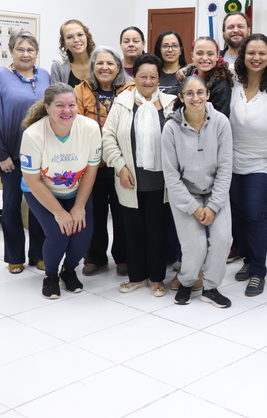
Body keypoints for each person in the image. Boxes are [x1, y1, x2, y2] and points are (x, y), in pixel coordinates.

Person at [102, 53, 177, 297]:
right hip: (129, 179)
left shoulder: (171, 103)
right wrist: (121, 167)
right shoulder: (121, 102)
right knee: (132, 231)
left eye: (152, 77)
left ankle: (156, 278)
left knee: (157, 230)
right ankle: (137, 277)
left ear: (159, 78)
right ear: (134, 76)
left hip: (161, 182)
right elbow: (108, 137)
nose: (147, 81)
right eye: (143, 76)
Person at [19, 83, 101, 299]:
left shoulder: (90, 128)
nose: (67, 110)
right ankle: (51, 276)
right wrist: (60, 212)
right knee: (58, 233)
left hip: (75, 189)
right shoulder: (33, 135)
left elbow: (91, 170)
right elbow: (32, 179)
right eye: (59, 105)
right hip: (41, 190)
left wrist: (79, 207)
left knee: (82, 234)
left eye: (72, 105)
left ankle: (69, 270)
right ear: (47, 108)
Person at [0, 30, 49, 274]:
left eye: (31, 49)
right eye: (20, 49)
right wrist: (0, 155)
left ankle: (39, 254)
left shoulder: (45, 76)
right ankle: (15, 256)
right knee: (10, 206)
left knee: (41, 205)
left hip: (41, 154)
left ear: (36, 53)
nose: (26, 54)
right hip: (12, 155)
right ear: (11, 51)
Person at [162, 76, 233, 307]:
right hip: (186, 195)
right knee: (196, 245)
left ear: (208, 95)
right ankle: (187, 282)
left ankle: (210, 288)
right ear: (181, 97)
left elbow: (225, 168)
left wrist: (213, 206)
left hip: (215, 193)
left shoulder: (221, 122)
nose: (196, 98)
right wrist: (194, 209)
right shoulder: (171, 128)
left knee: (223, 239)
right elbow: (171, 177)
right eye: (189, 94)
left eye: (200, 92)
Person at [229, 33, 267, 296]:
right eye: (251, 53)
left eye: (261, 53)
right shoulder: (232, 80)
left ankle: (258, 272)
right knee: (239, 216)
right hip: (232, 160)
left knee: (254, 214)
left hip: (265, 161)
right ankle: (248, 260)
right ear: (242, 56)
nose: (256, 58)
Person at [75, 46, 134, 277]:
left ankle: (124, 257)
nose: (105, 67)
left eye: (110, 63)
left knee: (122, 212)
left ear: (118, 67)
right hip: (93, 164)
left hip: (121, 162)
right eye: (99, 63)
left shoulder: (129, 90)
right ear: (92, 67)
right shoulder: (81, 90)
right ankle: (95, 257)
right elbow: (77, 124)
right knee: (95, 212)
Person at [173, 36, 233, 116]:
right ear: (192, 56)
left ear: (217, 57)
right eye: (199, 53)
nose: (205, 58)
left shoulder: (221, 86)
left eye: (210, 54)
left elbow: (219, 119)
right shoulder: (186, 75)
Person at [51, 19, 96, 87]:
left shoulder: (101, 61)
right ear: (64, 43)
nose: (76, 40)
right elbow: (55, 95)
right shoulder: (58, 65)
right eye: (69, 37)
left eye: (80, 35)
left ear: (87, 36)